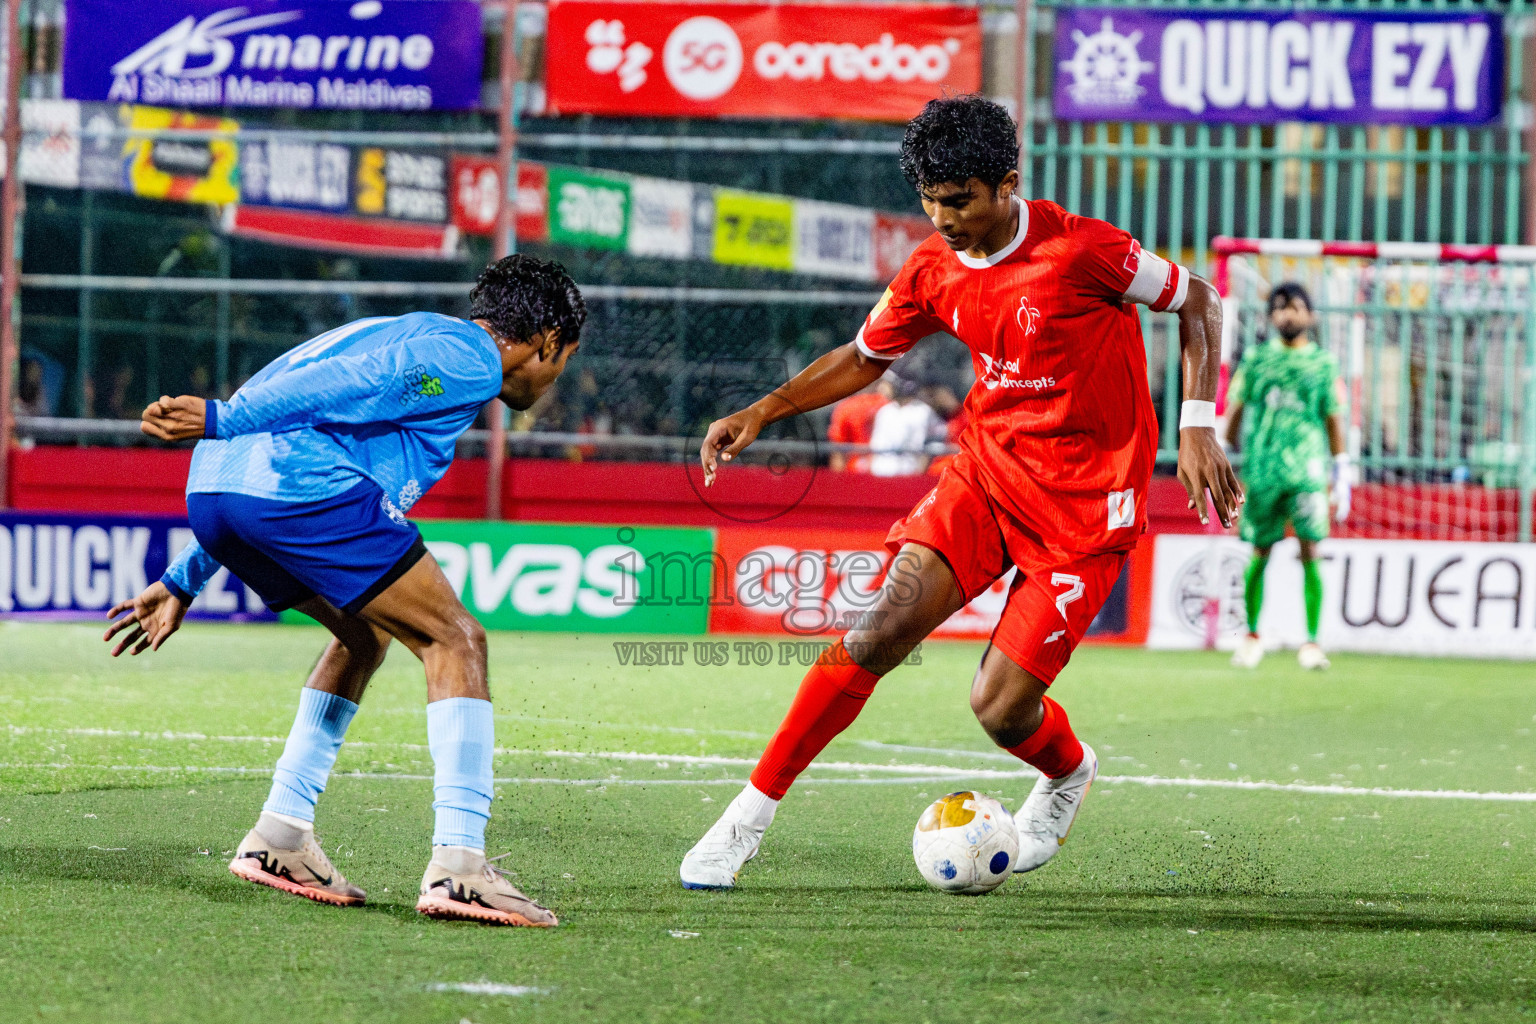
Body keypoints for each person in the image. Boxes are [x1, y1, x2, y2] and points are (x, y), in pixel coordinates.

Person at [679, 96, 1240, 890]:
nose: (943, 217)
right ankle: (743, 821)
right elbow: (866, 356)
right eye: (930, 200)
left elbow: (1200, 300)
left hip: (1085, 505)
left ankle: (1068, 771)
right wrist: (766, 409)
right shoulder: (931, 269)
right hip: (987, 476)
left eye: (960, 200)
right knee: (875, 632)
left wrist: (1195, 423)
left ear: (1007, 183)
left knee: (999, 709)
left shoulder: (1085, 250)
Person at [101, 255, 586, 927]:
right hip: (293, 482)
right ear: (548, 340)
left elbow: (296, 423)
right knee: (455, 638)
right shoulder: (470, 357)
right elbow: (347, 383)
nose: (555, 378)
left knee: (364, 635)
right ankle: (462, 867)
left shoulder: (410, 332)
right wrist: (224, 415)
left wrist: (186, 574)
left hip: (220, 491)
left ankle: (281, 836)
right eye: (562, 362)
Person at [1225, 282, 1349, 671]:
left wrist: (1341, 466)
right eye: (1279, 307)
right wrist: (1224, 451)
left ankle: (1311, 642)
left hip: (1309, 472)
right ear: (1270, 316)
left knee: (1311, 549)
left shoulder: (1324, 364)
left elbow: (1332, 417)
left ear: (1310, 315)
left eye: (1295, 306)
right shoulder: (1256, 360)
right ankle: (1252, 636)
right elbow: (1234, 413)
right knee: (1258, 552)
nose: (1287, 314)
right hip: (1263, 470)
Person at [867, 373, 939, 476]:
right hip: (880, 472)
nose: (881, 388)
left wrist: (921, 471)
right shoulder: (884, 411)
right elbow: (875, 446)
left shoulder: (923, 411)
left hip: (909, 473)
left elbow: (934, 442)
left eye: (887, 384)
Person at [826, 375, 891, 472]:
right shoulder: (887, 405)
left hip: (858, 469)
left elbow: (837, 451)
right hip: (883, 468)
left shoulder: (845, 407)